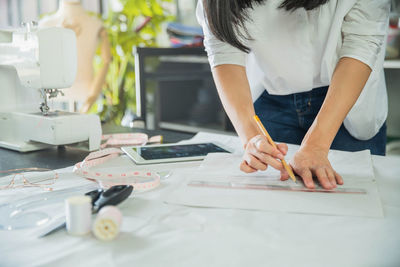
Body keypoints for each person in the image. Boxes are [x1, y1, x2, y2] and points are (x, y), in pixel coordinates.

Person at [197, 0, 390, 189]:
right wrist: (251, 138)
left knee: (354, 204)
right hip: (270, 98)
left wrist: (317, 145)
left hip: (343, 100)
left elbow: (362, 43)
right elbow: (222, 50)